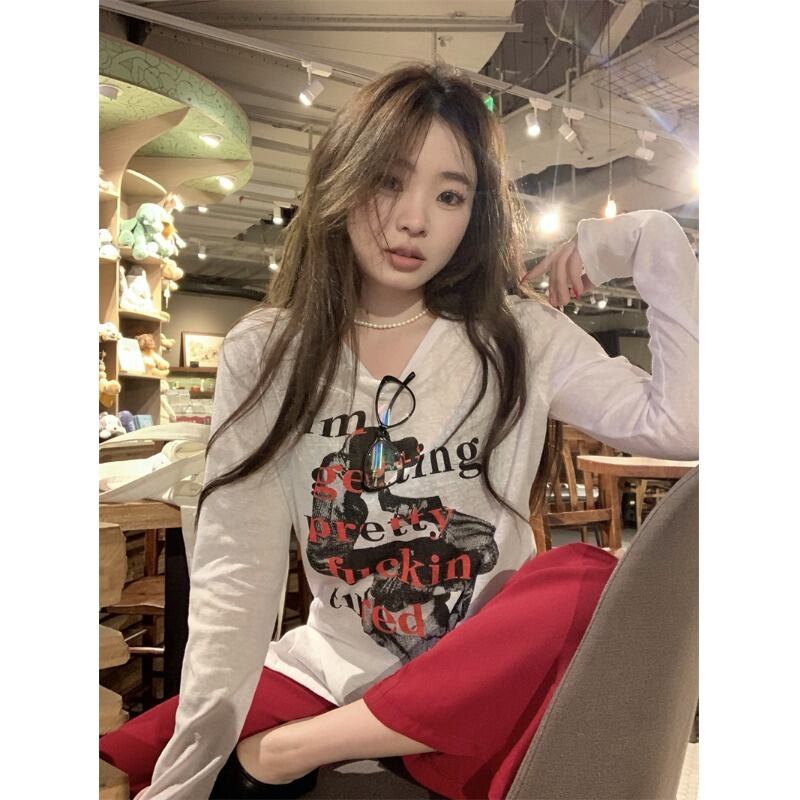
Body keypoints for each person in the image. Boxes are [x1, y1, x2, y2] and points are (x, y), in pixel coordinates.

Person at [100, 61, 698, 800]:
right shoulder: (271, 349)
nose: (415, 219)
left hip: (480, 673)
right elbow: (237, 570)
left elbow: (685, 424)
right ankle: (356, 729)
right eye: (389, 181)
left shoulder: (518, 335)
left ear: (474, 213)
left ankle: (298, 749)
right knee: (132, 753)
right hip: (331, 668)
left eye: (450, 195)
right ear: (344, 178)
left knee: (584, 578)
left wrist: (647, 241)